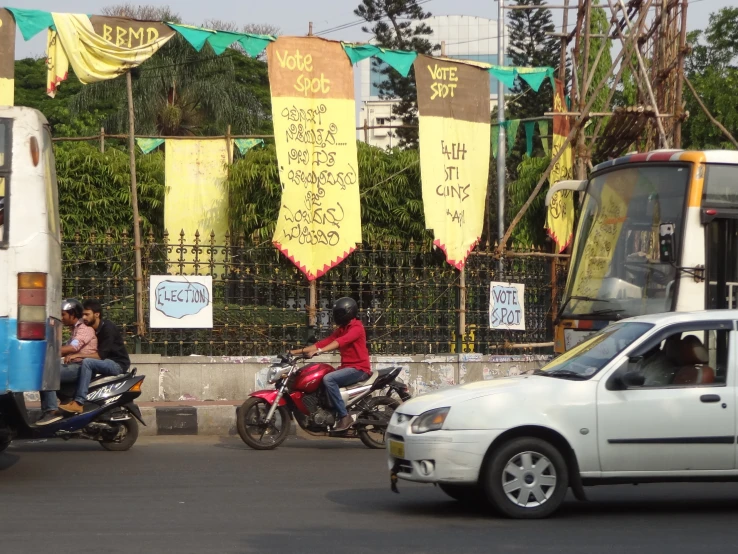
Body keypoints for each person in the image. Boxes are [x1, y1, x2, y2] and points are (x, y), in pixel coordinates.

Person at [292, 297, 371, 432]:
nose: (337, 317)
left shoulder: (357, 327)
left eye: (339, 313)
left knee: (329, 378)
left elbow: (341, 342)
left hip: (359, 369)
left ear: (348, 312)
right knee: (323, 376)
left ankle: (344, 416)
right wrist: (294, 352)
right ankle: (327, 412)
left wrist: (320, 351)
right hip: (347, 368)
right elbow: (324, 342)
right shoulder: (342, 328)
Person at [58, 299, 131, 415]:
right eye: (83, 314)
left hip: (117, 364)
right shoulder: (94, 329)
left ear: (97, 314)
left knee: (88, 362)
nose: (84, 318)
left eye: (87, 314)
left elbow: (100, 355)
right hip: (106, 361)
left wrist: (77, 355)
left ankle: (79, 402)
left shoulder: (108, 328)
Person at [37, 299, 98, 425]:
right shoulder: (75, 329)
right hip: (73, 366)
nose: (61, 317)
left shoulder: (84, 328)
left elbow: (73, 347)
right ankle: (59, 406)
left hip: (80, 367)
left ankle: (51, 411)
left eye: (63, 314)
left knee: (48, 375)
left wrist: (50, 352)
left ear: (73, 314)